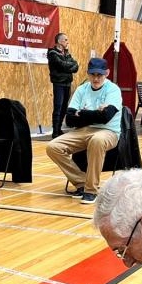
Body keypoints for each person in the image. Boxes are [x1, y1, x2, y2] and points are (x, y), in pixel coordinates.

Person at [46, 57, 123, 204]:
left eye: (99, 75)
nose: (95, 78)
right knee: (53, 147)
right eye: (92, 74)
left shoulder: (113, 90)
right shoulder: (82, 89)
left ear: (106, 73)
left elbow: (106, 117)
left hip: (108, 132)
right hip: (83, 131)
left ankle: (91, 190)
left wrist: (82, 114)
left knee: (97, 140)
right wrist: (96, 114)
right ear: (88, 74)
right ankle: (81, 182)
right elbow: (69, 119)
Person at [47, 32, 80, 138]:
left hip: (67, 83)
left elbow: (75, 66)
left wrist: (69, 65)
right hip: (59, 83)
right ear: (59, 42)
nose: (67, 42)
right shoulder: (52, 53)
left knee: (64, 107)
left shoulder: (66, 54)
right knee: (58, 106)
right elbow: (61, 65)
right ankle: (55, 131)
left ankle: (59, 128)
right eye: (65, 40)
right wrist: (69, 66)